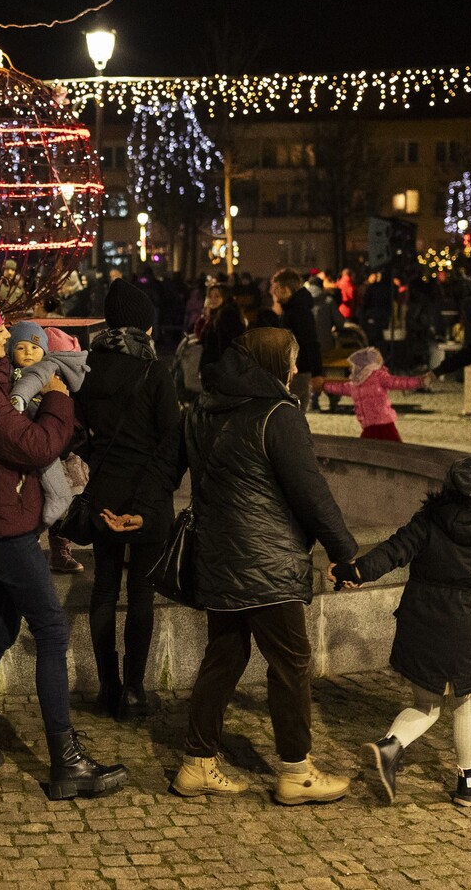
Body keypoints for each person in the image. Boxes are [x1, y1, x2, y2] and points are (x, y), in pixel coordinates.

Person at [0, 290, 127, 799]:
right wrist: (57, 394)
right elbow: (34, 445)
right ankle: (66, 762)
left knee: (0, 628)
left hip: (3, 515)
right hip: (2, 524)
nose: (6, 335)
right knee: (52, 630)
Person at [173, 327, 358, 804]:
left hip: (218, 556)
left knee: (225, 655)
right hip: (267, 562)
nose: (295, 370)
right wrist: (344, 551)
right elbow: (310, 492)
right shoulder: (278, 414)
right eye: (291, 361)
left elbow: (170, 469)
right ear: (274, 365)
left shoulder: (203, 410)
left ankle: (197, 763)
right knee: (291, 662)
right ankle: (296, 771)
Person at [332, 457, 471, 807]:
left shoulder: (429, 520)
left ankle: (389, 747)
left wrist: (356, 572)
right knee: (467, 703)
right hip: (462, 630)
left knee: (427, 703)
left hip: (418, 622)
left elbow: (392, 550)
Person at [74, 278, 181, 719]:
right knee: (140, 592)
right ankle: (134, 691)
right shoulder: (155, 371)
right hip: (147, 498)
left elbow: (76, 432)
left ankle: (108, 688)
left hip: (104, 494)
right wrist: (150, 503)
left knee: (104, 587)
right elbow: (172, 443)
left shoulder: (87, 369)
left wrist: (97, 462)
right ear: (144, 327)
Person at [6, 321, 90, 574]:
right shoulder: (9, 375)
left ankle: (59, 547)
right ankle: (28, 549)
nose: (28, 353)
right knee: (31, 501)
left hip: (56, 444)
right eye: (21, 347)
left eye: (34, 348)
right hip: (29, 445)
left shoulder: (53, 374)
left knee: (64, 498)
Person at [315, 345, 430, 441]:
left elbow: (339, 388)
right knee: (392, 453)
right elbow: (399, 382)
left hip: (374, 425)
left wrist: (323, 386)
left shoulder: (360, 382)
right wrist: (420, 381)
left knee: (369, 453)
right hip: (382, 424)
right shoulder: (362, 382)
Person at [260, 269, 325, 410]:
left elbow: (310, 341)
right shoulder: (292, 308)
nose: (273, 292)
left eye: (276, 288)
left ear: (285, 289)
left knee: (285, 411)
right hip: (296, 369)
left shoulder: (298, 311)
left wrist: (317, 373)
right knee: (294, 413)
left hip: (298, 371)